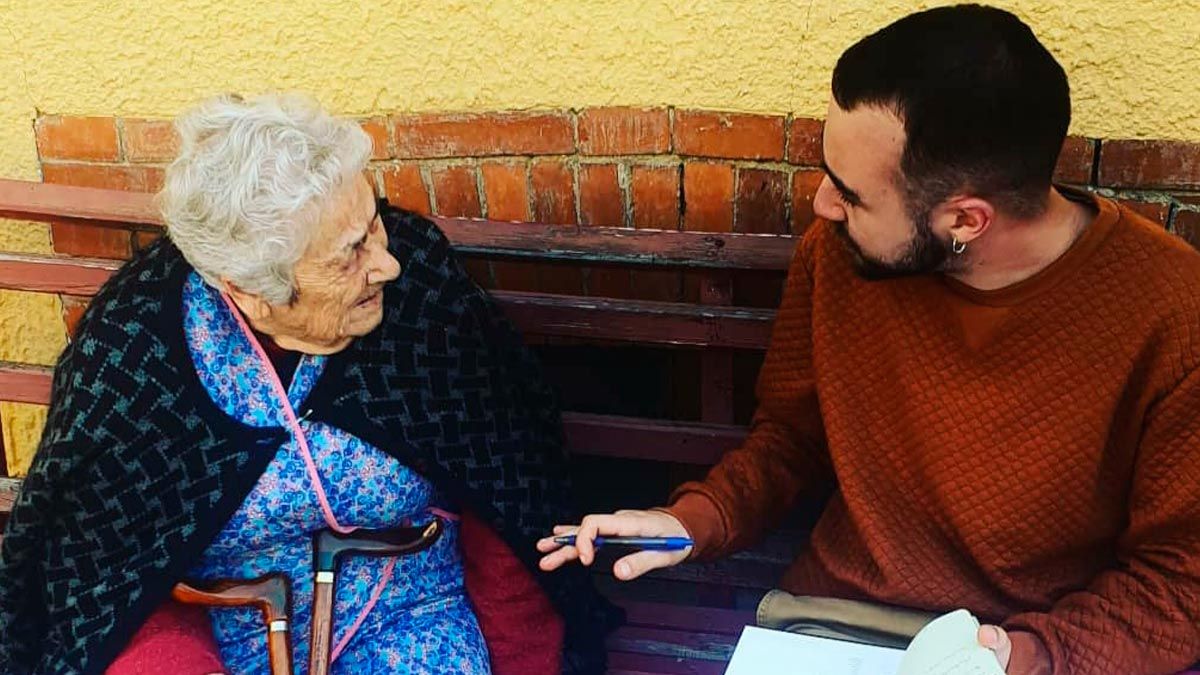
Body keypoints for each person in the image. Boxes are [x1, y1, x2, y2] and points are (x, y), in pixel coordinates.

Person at [538, 6, 1200, 675]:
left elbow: (1181, 584)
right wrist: (694, 520)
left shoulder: (1173, 314)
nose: (824, 204)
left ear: (966, 219)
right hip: (830, 629)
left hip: (1019, 650)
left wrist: (1025, 656)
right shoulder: (841, 255)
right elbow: (791, 441)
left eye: (851, 194)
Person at [0, 93, 616, 675]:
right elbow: (103, 576)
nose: (387, 263)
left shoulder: (419, 295)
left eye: (374, 225)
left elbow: (509, 497)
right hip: (227, 639)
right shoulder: (137, 347)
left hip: (411, 622)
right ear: (249, 292)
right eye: (350, 253)